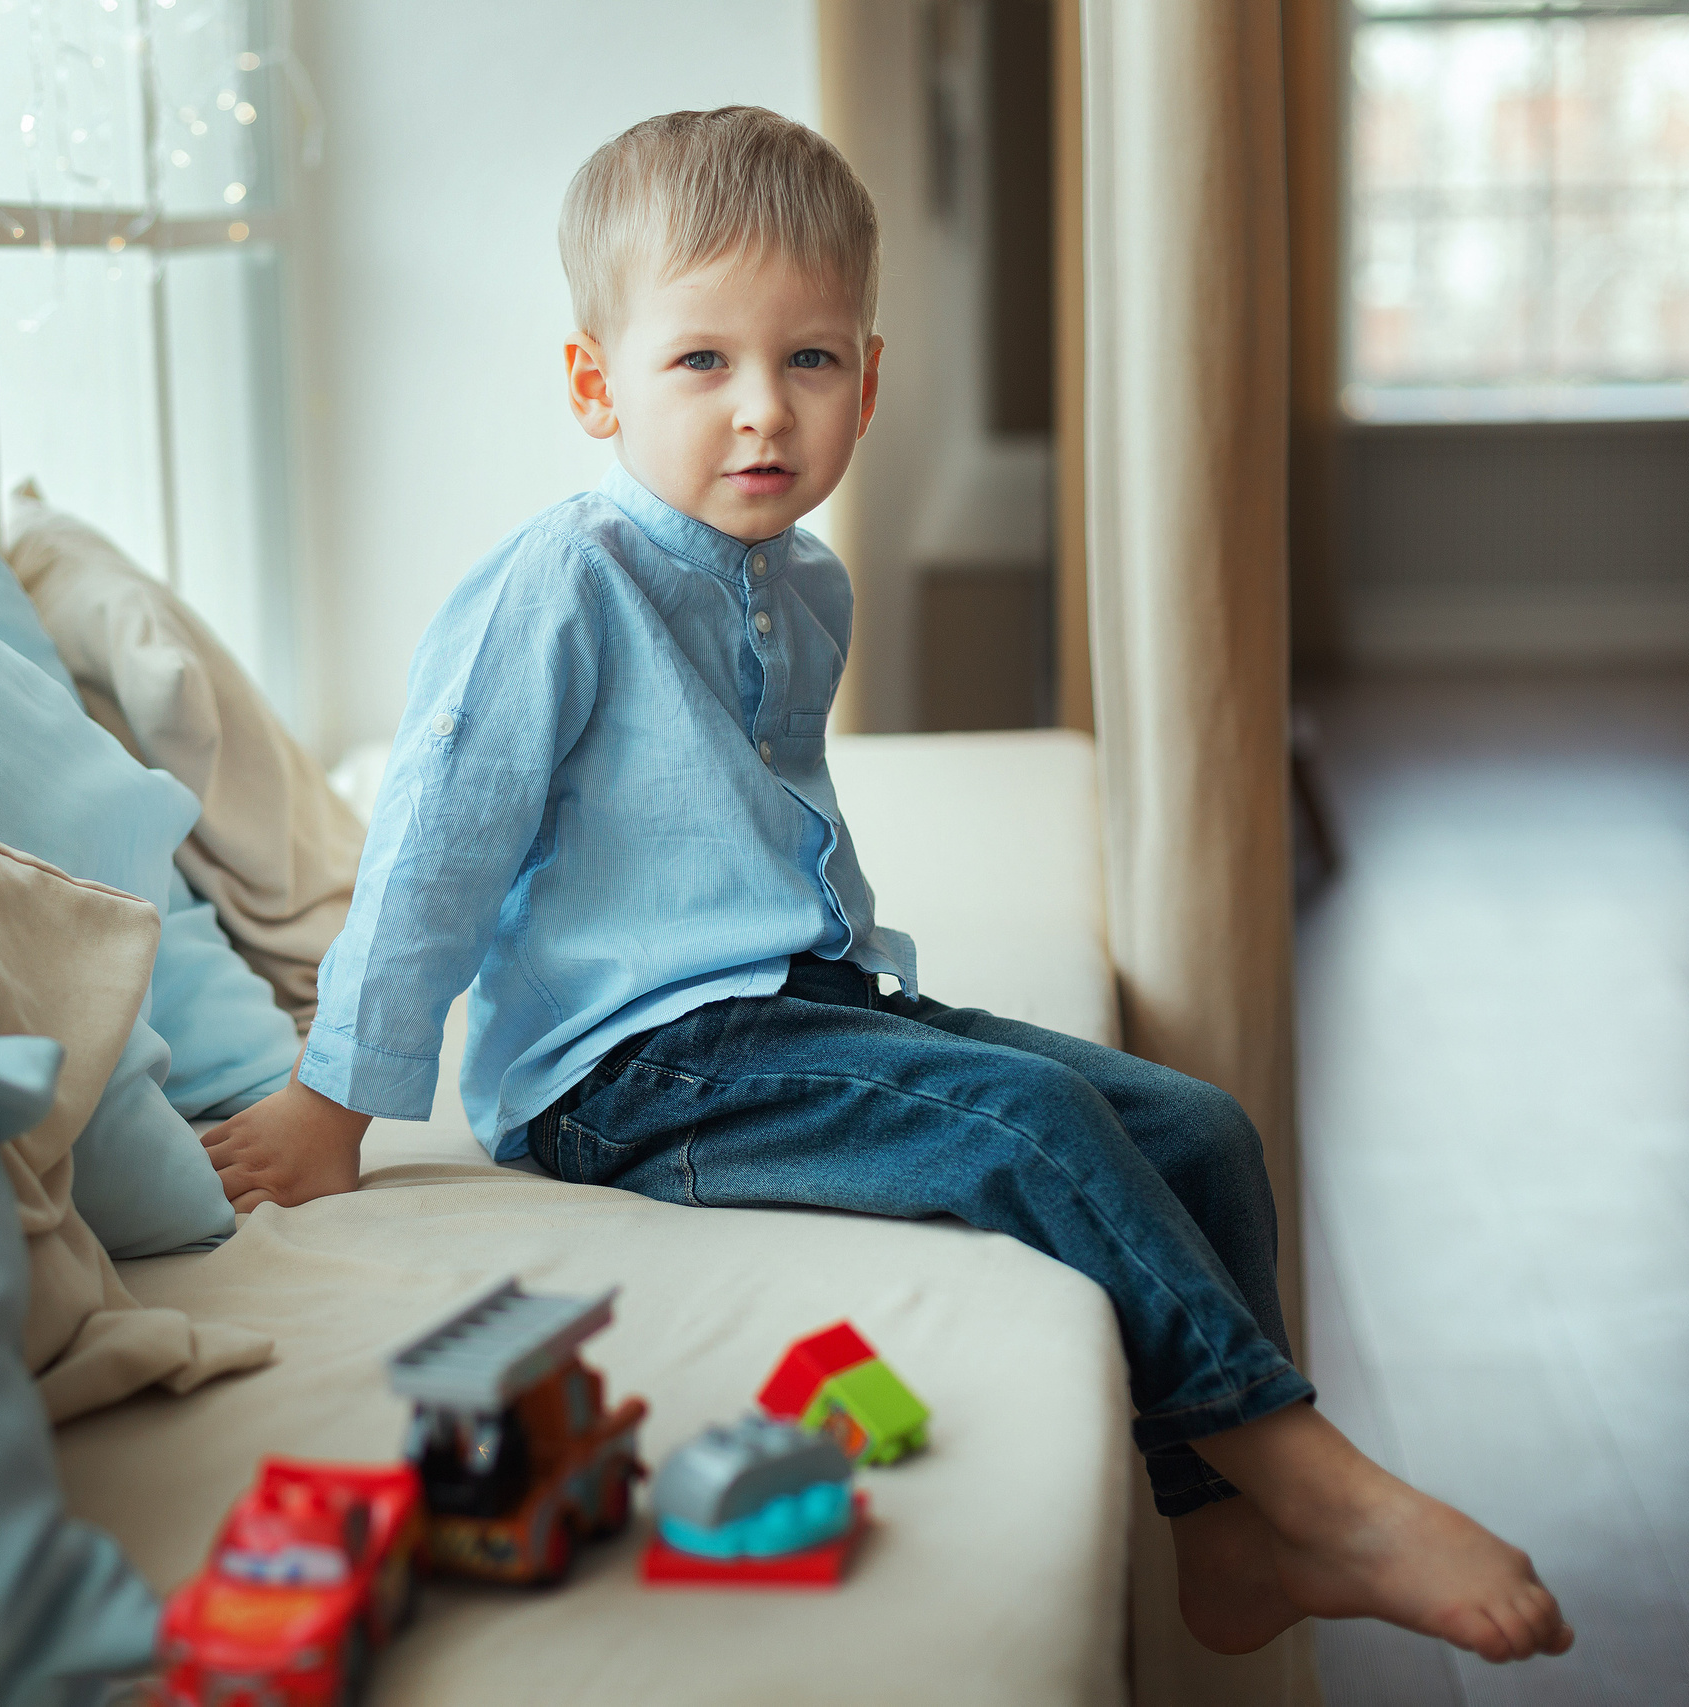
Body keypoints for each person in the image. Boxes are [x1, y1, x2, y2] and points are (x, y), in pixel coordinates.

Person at [204, 105, 1573, 1664]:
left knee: (1203, 1130)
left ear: (871, 377)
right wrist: (340, 1096)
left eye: (810, 360)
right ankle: (1315, 1482)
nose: (761, 412)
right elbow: (435, 836)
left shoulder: (807, 583)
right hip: (630, 1068)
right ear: (597, 383)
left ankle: (1221, 1534)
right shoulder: (566, 579)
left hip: (797, 1007)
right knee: (1032, 1132)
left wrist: (859, 995)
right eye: (700, 361)